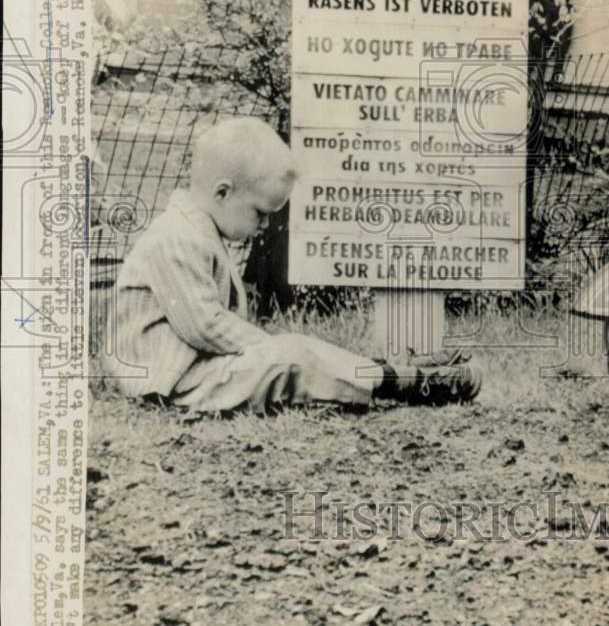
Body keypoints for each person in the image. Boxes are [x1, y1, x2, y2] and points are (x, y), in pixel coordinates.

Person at [103, 117, 482, 414]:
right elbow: (204, 326)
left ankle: (389, 371)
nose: (265, 225)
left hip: (192, 373)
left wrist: (278, 349)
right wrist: (274, 348)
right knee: (291, 359)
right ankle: (400, 382)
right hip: (173, 383)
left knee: (294, 355)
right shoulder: (176, 237)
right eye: (260, 213)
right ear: (222, 193)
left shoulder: (197, 231)